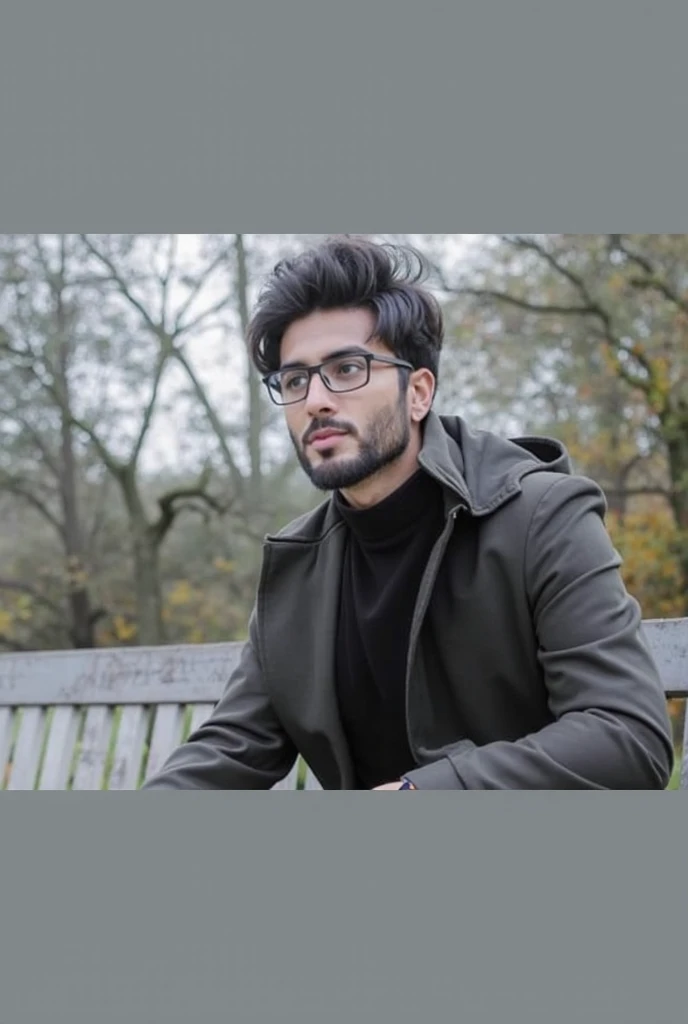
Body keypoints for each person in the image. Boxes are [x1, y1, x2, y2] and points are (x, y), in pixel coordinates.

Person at [142, 236, 674, 790]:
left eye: (347, 368)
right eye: (295, 379)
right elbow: (233, 746)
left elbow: (627, 737)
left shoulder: (542, 515)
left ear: (418, 393)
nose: (315, 400)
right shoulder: (299, 566)